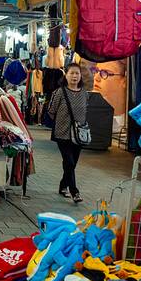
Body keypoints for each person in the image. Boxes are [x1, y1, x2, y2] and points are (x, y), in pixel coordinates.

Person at [47, 63, 88, 203]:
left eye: (77, 73)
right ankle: (74, 192)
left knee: (72, 163)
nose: (75, 76)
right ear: (66, 75)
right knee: (69, 162)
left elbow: (85, 111)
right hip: (62, 133)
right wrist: (62, 121)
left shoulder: (84, 92)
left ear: (80, 75)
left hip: (78, 135)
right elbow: (51, 110)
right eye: (72, 73)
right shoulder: (60, 92)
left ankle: (63, 185)